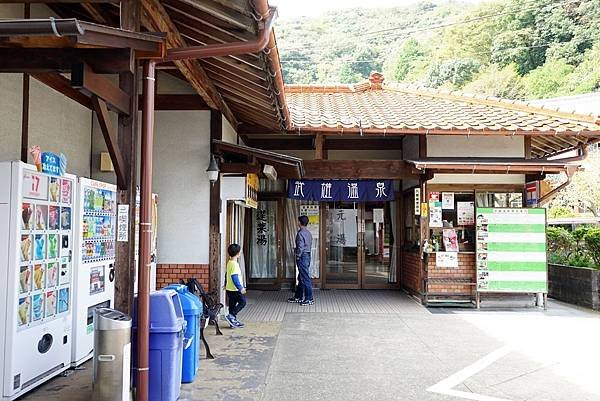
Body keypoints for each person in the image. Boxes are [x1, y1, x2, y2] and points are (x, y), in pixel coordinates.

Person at [288, 215, 314, 306]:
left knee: (305, 278)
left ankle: (309, 298)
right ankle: (298, 296)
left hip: (302, 256)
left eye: (298, 221)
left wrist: (298, 255)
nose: (297, 222)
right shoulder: (308, 233)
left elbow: (301, 247)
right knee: (301, 277)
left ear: (300, 222)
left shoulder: (300, 233)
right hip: (308, 255)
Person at [224, 243, 246, 328]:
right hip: (235, 289)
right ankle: (232, 316)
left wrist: (225, 284)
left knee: (232, 305)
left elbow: (227, 274)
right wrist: (240, 288)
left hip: (229, 288)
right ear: (237, 253)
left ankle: (232, 323)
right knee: (243, 302)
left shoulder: (229, 262)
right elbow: (234, 277)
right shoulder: (234, 264)